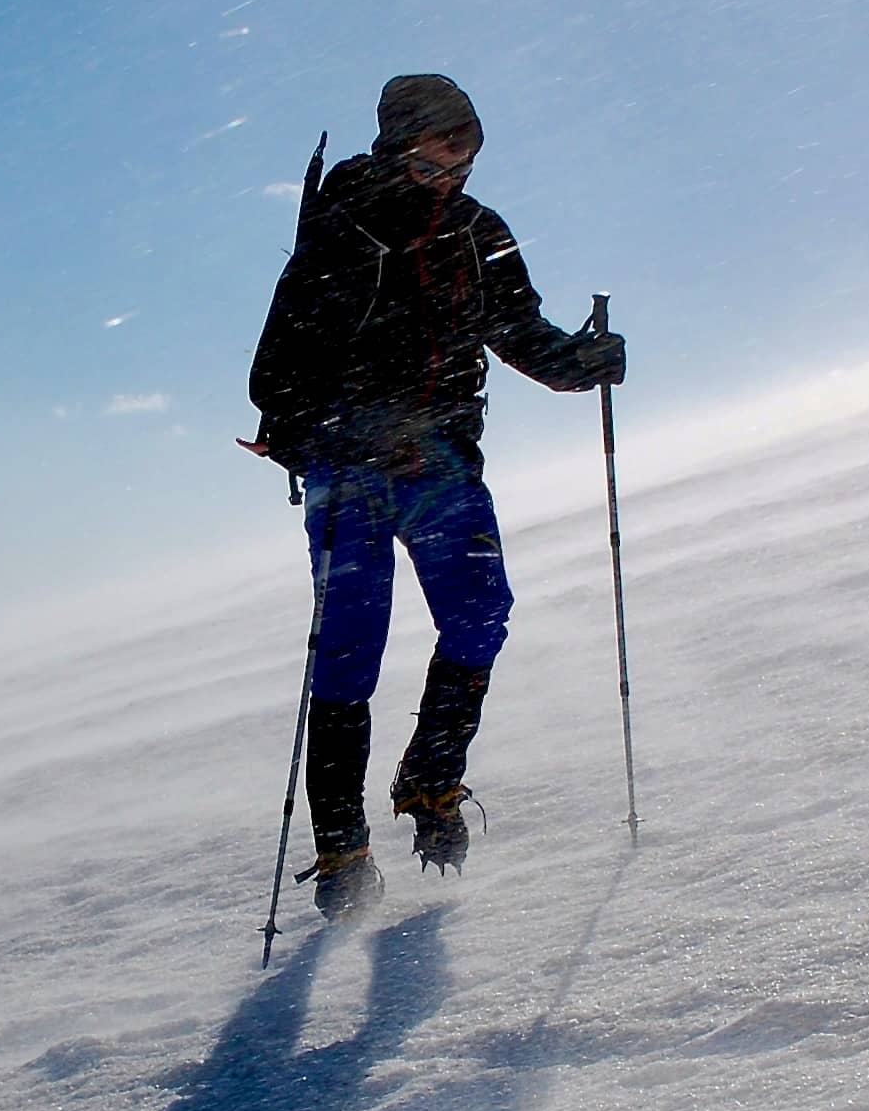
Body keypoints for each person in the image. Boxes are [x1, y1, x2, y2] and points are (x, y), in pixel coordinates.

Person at [245, 74, 626, 916]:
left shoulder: (476, 232)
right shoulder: (343, 228)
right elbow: (273, 368)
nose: (455, 165)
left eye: (467, 148)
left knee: (481, 613)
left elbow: (520, 331)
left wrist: (582, 361)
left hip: (442, 461)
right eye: (439, 148)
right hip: (350, 469)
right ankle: (342, 849)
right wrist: (334, 426)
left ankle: (431, 780)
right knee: (350, 648)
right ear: (400, 141)